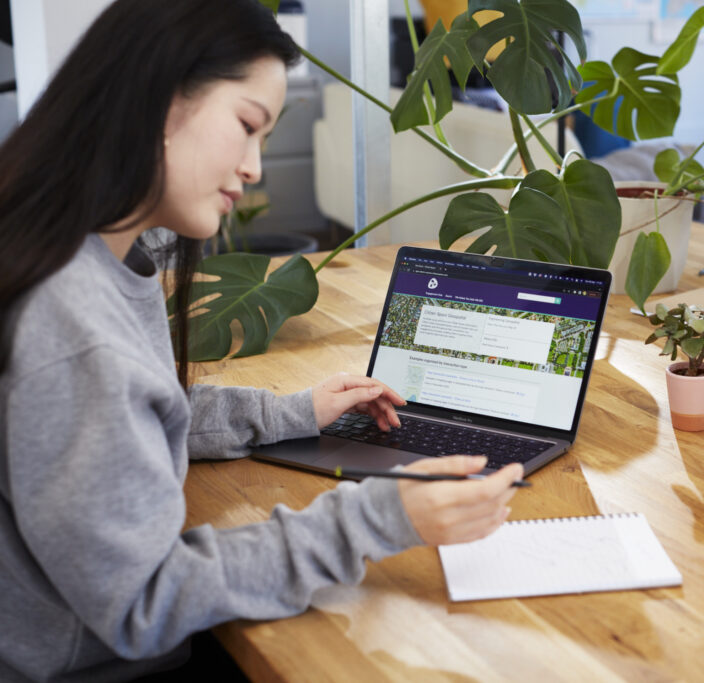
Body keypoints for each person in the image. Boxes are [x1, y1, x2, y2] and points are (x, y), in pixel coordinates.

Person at [0, 1, 523, 680]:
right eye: (247, 126)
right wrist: (376, 518)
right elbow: (143, 602)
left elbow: (128, 418)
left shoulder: (93, 259)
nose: (253, 168)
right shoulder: (70, 323)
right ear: (158, 94)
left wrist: (292, 414)